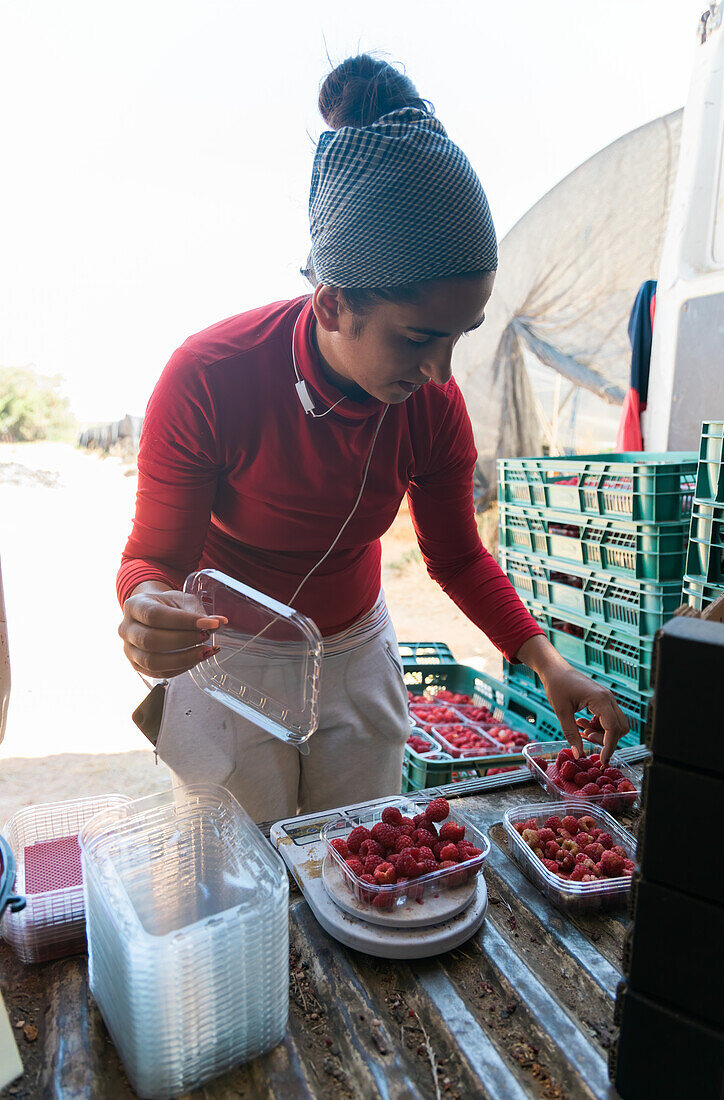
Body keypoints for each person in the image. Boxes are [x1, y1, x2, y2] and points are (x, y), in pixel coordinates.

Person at [117, 55, 629, 823]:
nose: (438, 371)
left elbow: (455, 555)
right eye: (418, 337)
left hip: (355, 651)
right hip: (230, 662)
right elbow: (154, 560)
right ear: (330, 305)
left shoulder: (432, 404)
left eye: (461, 336)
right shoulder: (211, 377)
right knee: (250, 873)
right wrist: (145, 608)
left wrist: (546, 662)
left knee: (364, 859)